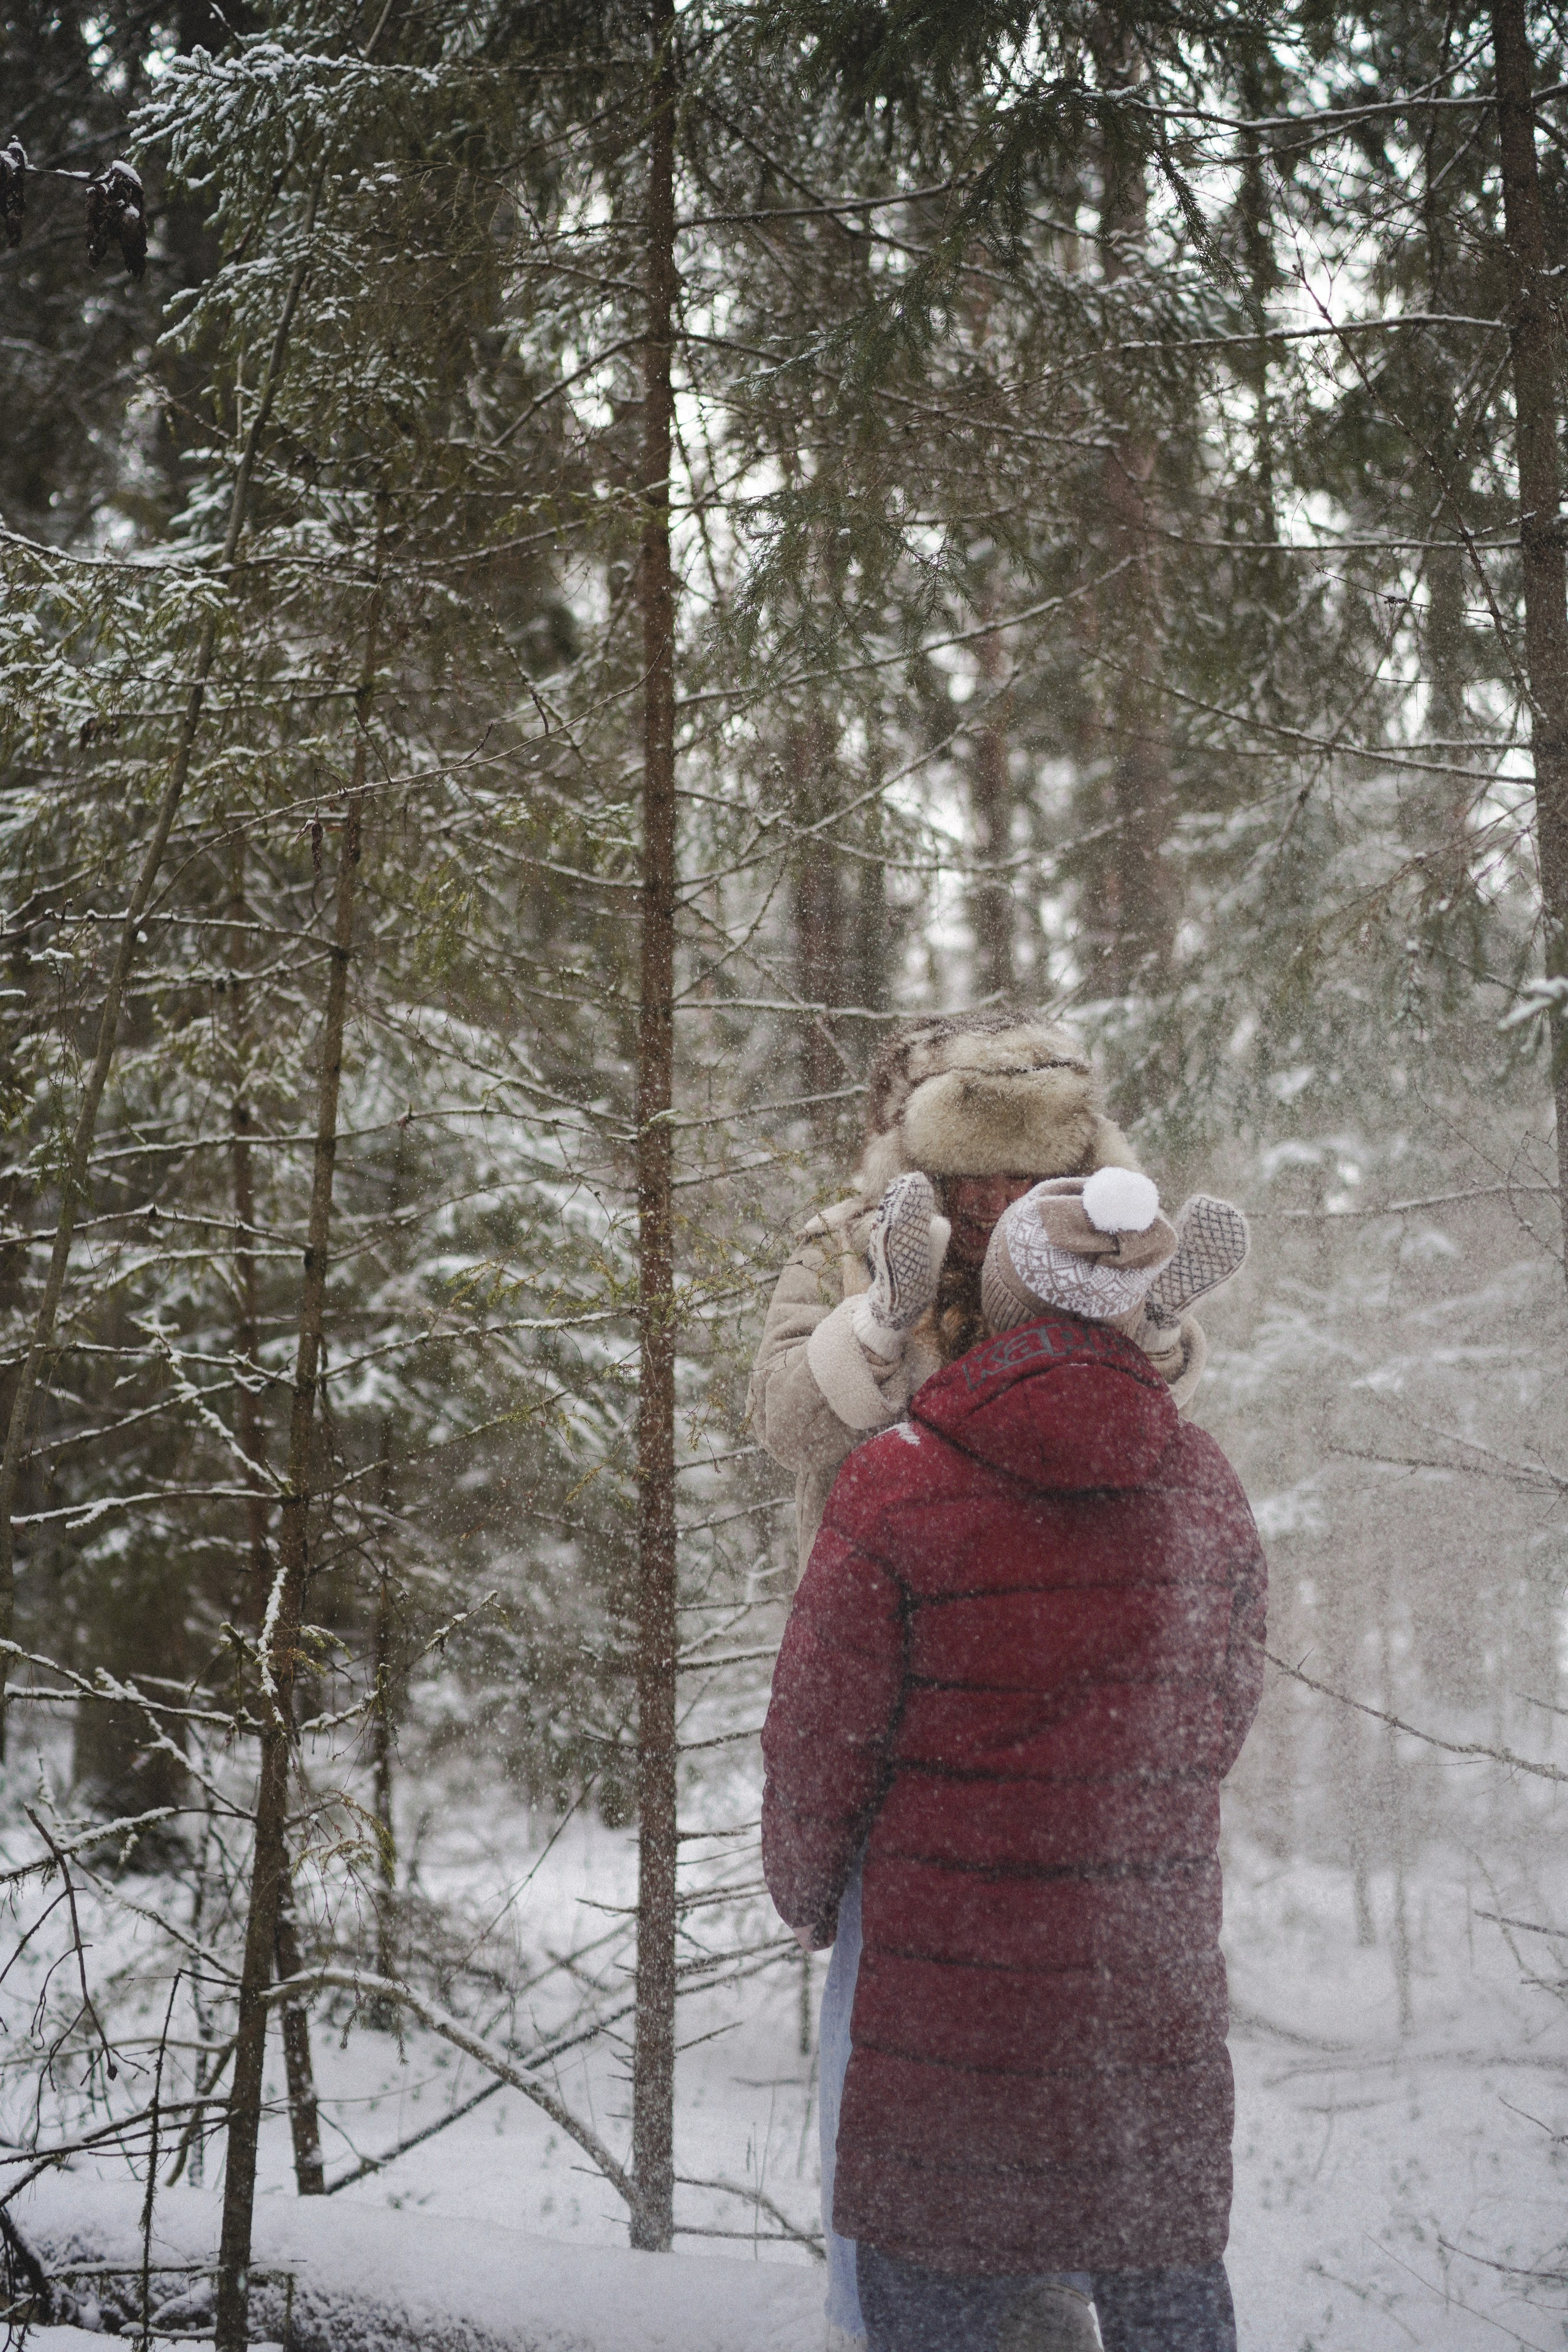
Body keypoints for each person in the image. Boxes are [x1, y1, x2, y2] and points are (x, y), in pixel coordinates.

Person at [748, 1009, 1237, 2350]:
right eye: (972, 1185)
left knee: (947, 2055)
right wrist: (882, 1333)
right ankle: (1009, 2297)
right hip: (929, 1674)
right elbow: (783, 1411)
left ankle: (994, 2304)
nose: (995, 1208)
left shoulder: (1082, 1246)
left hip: (1044, 1685)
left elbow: (1157, 1476)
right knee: (961, 2048)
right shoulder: (846, 1249)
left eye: (1024, 1187)